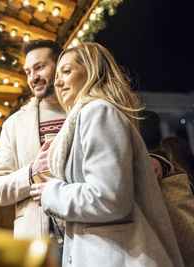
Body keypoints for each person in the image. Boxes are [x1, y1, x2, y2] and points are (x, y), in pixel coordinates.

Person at [30, 42, 184, 266]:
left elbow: (108, 198)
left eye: (67, 71)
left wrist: (51, 193)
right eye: (57, 75)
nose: (58, 81)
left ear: (92, 72)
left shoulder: (98, 111)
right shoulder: (85, 118)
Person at [0, 39, 66, 241]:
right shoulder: (15, 124)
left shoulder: (85, 111)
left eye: (39, 68)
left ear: (61, 65)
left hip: (88, 236)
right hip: (39, 241)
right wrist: (31, 173)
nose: (33, 77)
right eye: (28, 71)